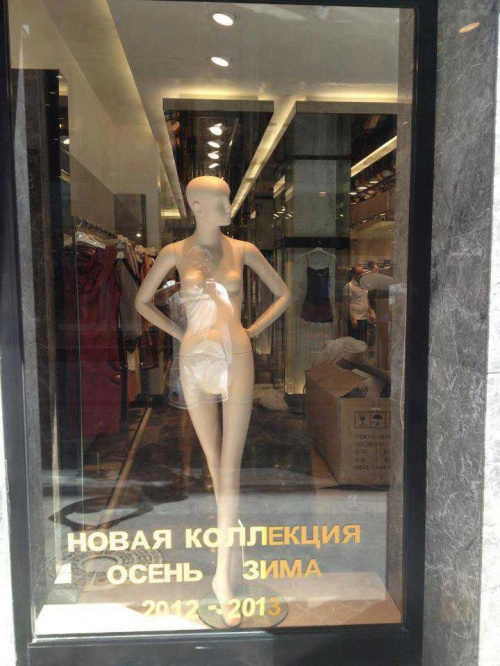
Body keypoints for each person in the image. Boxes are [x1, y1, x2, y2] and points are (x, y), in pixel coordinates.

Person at [135, 176, 291, 626]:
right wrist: (180, 333)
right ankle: (232, 560)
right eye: (220, 200)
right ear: (196, 205)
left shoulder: (243, 249)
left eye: (228, 198)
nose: (228, 206)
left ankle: (223, 577)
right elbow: (143, 302)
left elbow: (284, 294)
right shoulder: (173, 252)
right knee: (214, 466)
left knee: (230, 469)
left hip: (236, 354)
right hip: (195, 358)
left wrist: (250, 331)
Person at [343, 264, 376, 343]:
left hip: (364, 318)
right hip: (355, 318)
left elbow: (366, 299)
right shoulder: (349, 286)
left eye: (362, 272)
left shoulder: (364, 285)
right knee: (354, 342)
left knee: (363, 341)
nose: (362, 275)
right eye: (359, 273)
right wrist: (352, 318)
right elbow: (346, 303)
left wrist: (371, 312)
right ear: (353, 274)